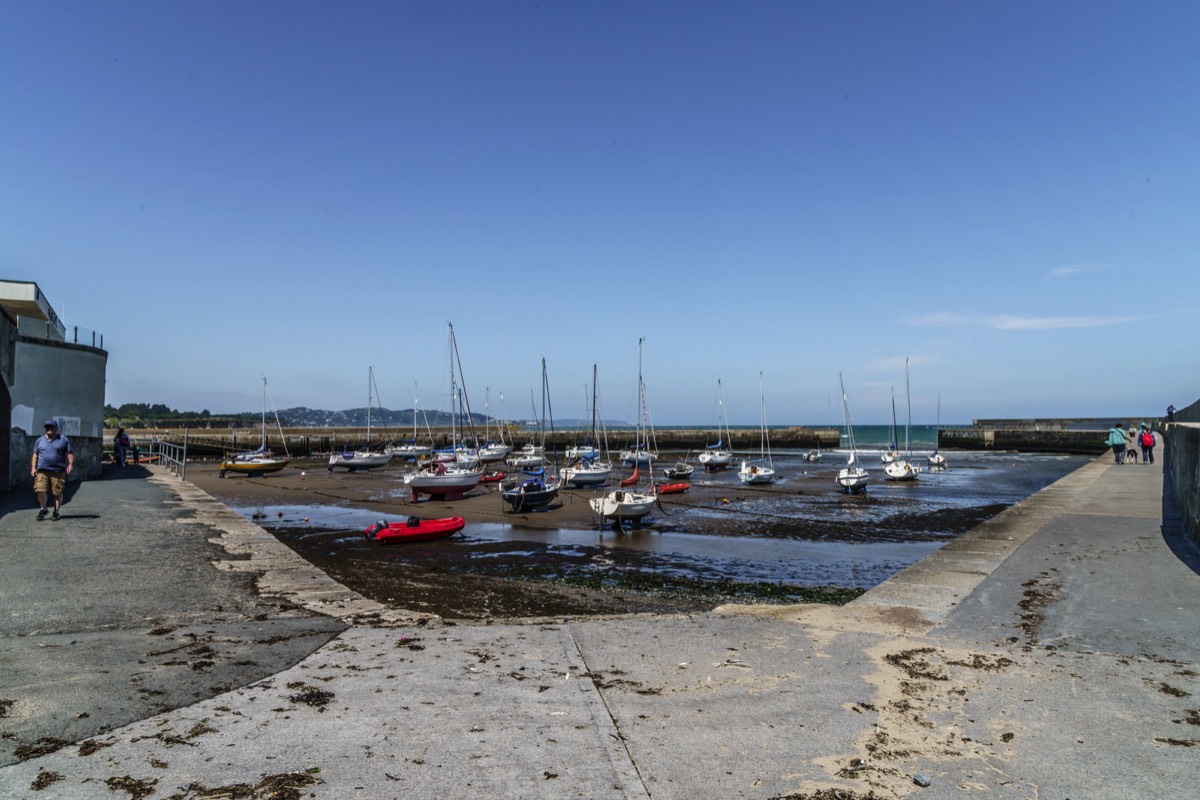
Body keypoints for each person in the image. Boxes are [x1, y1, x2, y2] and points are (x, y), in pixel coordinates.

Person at [31, 419, 74, 521]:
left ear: (56, 428)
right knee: (39, 489)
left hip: (58, 471)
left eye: (51, 427)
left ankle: (56, 511)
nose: (49, 429)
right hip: (42, 470)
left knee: (57, 492)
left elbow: (70, 452)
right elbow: (35, 455)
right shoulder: (39, 440)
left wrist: (70, 464)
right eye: (47, 427)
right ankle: (44, 509)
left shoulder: (63, 439)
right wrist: (33, 468)